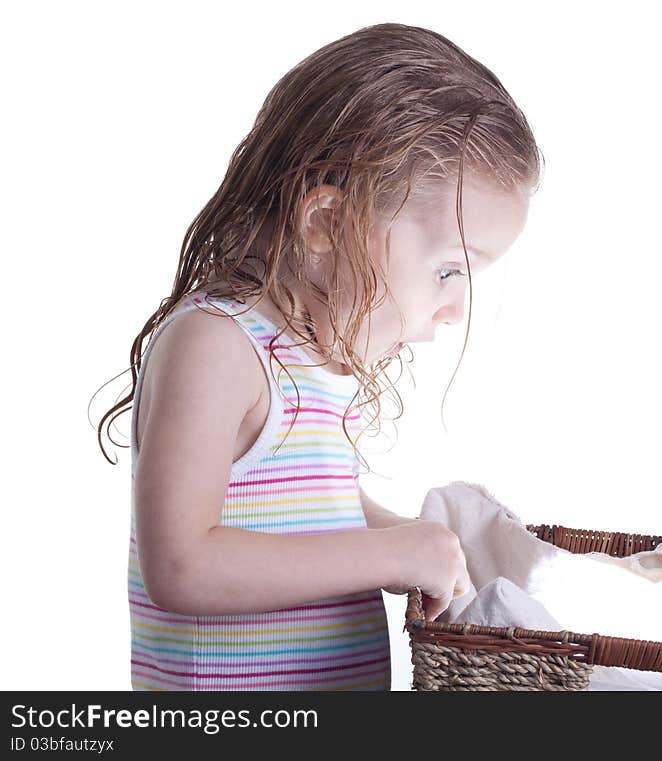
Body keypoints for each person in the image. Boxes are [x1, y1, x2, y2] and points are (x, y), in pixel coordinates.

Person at [98, 22, 540, 690]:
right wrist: (389, 551)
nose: (456, 309)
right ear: (328, 224)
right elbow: (183, 563)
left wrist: (417, 539)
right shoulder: (217, 346)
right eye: (451, 270)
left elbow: (316, 509)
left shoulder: (311, 359)